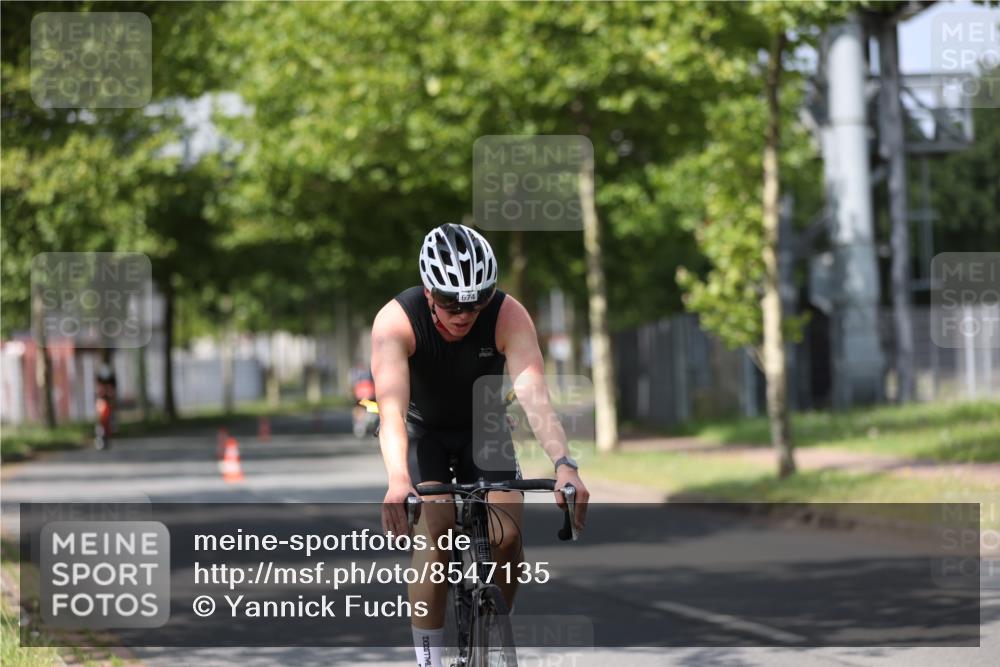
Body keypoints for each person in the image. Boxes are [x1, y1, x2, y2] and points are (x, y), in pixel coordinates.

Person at [371, 223, 589, 667]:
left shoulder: (510, 316)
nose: (464, 313)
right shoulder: (395, 322)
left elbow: (535, 397)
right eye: (451, 302)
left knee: (506, 537)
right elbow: (390, 410)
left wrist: (565, 464)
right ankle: (429, 660)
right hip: (423, 429)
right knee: (436, 534)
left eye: (477, 300)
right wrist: (398, 480)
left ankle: (491, 628)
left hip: (485, 424)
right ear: (429, 291)